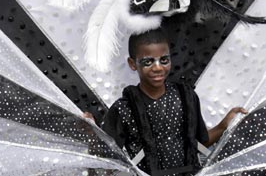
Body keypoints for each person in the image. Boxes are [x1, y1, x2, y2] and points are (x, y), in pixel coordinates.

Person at [99, 28, 247, 175]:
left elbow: (199, 142)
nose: (157, 68)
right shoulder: (124, 109)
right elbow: (107, 159)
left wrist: (223, 125)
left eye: (164, 60)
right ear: (132, 63)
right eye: (148, 62)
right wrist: (91, 131)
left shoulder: (186, 97)